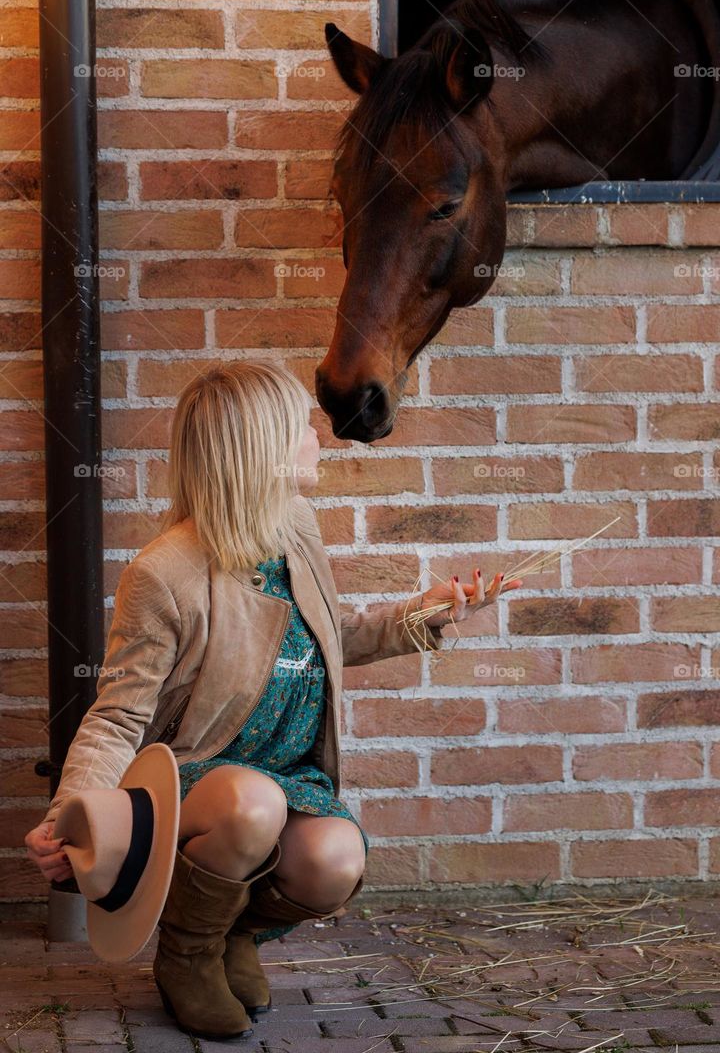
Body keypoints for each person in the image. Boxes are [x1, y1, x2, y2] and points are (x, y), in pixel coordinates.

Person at [25, 358, 521, 1040]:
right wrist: (68, 816)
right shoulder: (163, 574)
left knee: (334, 861)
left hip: (287, 780)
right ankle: (187, 953)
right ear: (260, 449)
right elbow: (117, 716)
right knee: (249, 804)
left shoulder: (297, 528)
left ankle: (230, 932)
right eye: (301, 426)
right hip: (197, 786)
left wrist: (424, 615)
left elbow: (326, 639)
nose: (320, 435)